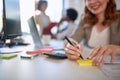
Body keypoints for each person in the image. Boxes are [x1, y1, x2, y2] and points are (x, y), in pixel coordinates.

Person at [64, 0, 120, 67]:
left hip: (114, 67)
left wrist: (117, 49)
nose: (92, 1)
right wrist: (69, 46)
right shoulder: (84, 18)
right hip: (90, 66)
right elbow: (73, 38)